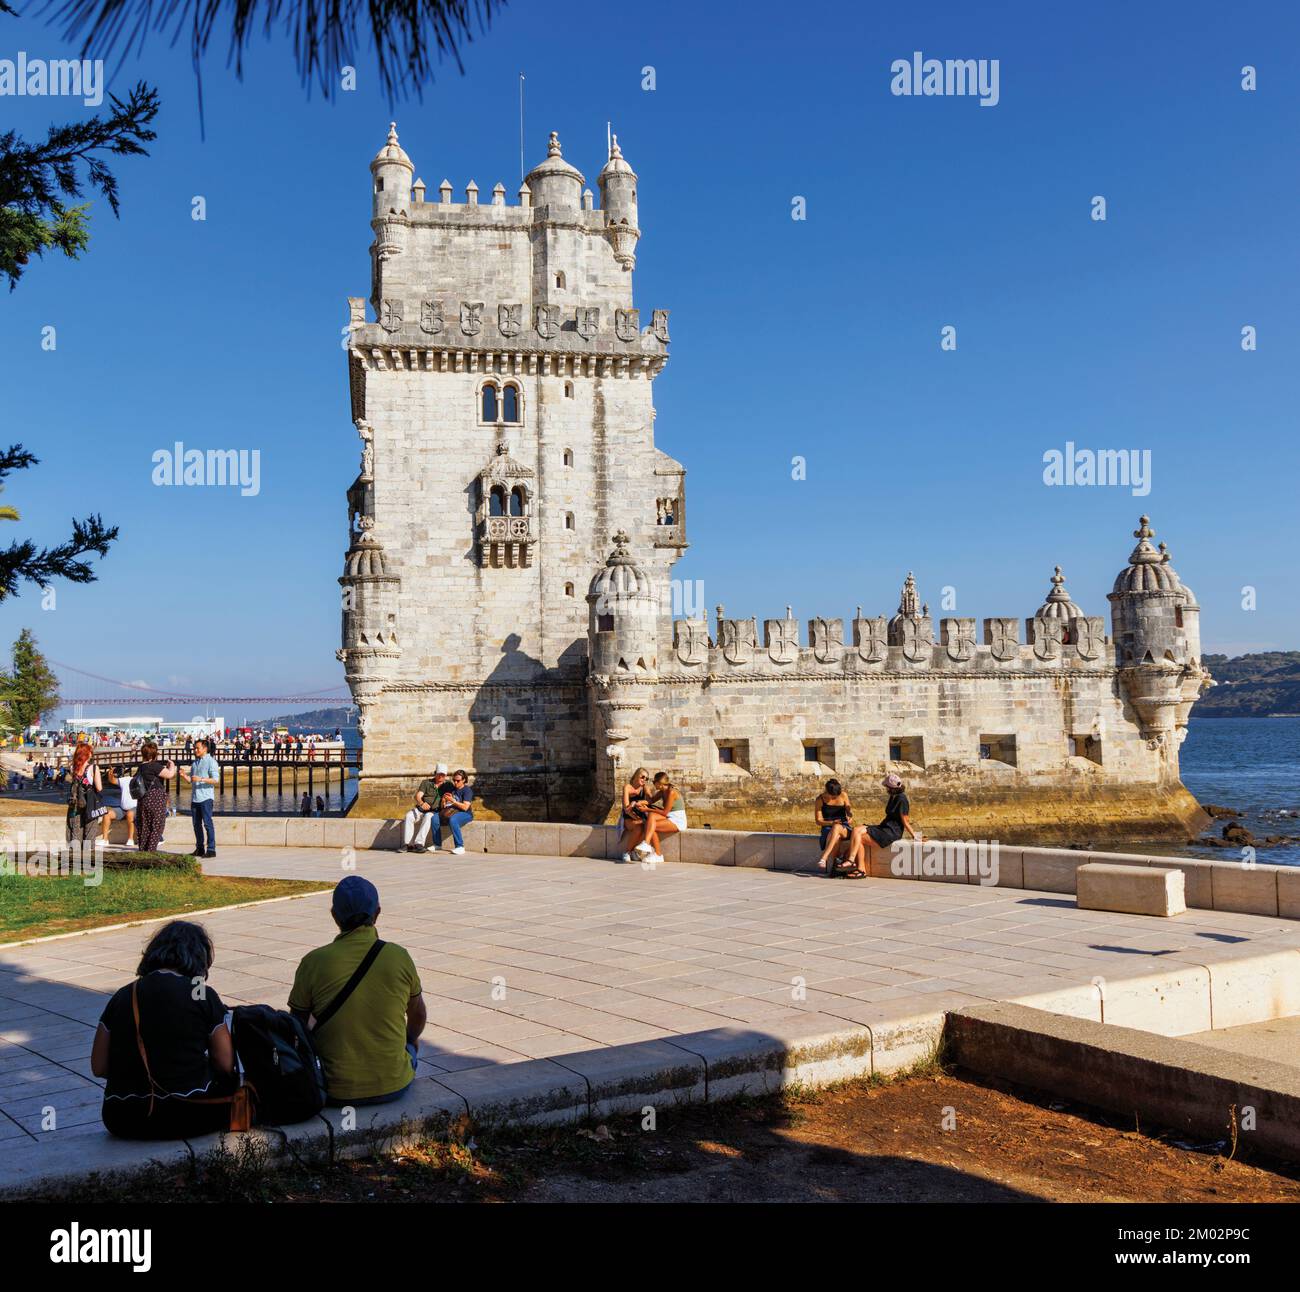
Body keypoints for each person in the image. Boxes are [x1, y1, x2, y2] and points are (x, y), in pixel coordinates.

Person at [91, 920, 238, 1139]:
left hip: (123, 1117)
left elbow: (99, 1066)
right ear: (199, 958)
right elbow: (225, 1063)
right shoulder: (200, 993)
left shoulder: (124, 995)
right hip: (188, 1115)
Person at [288, 876, 426, 1107]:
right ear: (377, 913)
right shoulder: (399, 956)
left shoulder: (313, 962)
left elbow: (297, 1025)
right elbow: (418, 1015)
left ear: (334, 916)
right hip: (395, 1084)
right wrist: (409, 1040)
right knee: (411, 1044)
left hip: (336, 1090)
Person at [846, 774, 923, 876]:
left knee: (859, 838)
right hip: (884, 827)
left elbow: (905, 821)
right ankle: (851, 861)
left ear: (891, 788)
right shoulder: (893, 796)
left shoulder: (902, 799)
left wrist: (915, 836)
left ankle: (860, 868)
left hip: (891, 832)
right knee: (856, 829)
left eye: (887, 787)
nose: (886, 789)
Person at [633, 772, 687, 865]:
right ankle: (654, 851)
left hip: (677, 820)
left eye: (654, 782)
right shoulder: (662, 791)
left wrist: (647, 809)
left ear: (659, 783)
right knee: (650, 823)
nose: (653, 784)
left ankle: (650, 847)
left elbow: (665, 812)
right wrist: (641, 801)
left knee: (651, 821)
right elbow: (651, 800)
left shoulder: (671, 792)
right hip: (669, 816)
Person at [134, 740, 178, 852]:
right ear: (154, 754)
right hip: (155, 798)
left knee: (144, 826)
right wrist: (172, 765)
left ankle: (143, 851)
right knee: (157, 826)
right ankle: (151, 851)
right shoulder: (154, 766)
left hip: (143, 799)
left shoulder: (141, 767)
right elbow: (170, 774)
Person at [180, 738, 220, 859]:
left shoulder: (211, 762)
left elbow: (216, 780)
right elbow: (191, 781)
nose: (195, 750)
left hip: (206, 798)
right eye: (194, 748)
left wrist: (201, 779)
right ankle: (200, 848)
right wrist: (184, 776)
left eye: (197, 748)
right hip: (195, 798)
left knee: (207, 823)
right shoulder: (195, 763)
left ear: (205, 748)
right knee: (196, 824)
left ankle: (211, 849)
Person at [65, 741, 106, 844]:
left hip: (75, 804)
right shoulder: (93, 768)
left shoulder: (73, 768)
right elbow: (99, 788)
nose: (92, 754)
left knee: (76, 831)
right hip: (90, 804)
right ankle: (88, 853)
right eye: (90, 752)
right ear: (87, 754)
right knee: (90, 832)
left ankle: (75, 852)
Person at [401, 764, 448, 853]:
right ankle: (407, 844)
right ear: (435, 773)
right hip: (421, 809)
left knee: (428, 817)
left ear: (446, 775)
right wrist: (422, 803)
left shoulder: (448, 785)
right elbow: (418, 796)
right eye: (439, 774)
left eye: (443, 775)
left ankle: (419, 843)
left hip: (434, 811)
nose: (441, 776)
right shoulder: (426, 783)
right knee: (409, 816)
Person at [814, 779, 857, 875]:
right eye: (833, 796)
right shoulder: (820, 800)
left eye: (837, 795)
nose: (835, 797)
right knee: (836, 834)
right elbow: (818, 821)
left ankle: (824, 858)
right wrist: (832, 823)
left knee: (836, 827)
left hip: (844, 827)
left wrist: (850, 817)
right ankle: (836, 866)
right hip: (828, 828)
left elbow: (849, 812)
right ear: (827, 791)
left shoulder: (844, 795)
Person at [431, 769, 474, 853]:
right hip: (452, 811)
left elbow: (465, 807)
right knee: (434, 818)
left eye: (458, 781)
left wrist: (453, 801)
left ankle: (460, 846)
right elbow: (443, 807)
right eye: (454, 780)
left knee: (453, 820)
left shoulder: (467, 790)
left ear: (464, 780)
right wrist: (444, 801)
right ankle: (437, 845)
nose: (455, 782)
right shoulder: (452, 789)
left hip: (466, 813)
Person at [617, 767, 652, 863]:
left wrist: (637, 802)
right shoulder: (627, 787)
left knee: (648, 826)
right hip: (629, 816)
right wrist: (637, 818)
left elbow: (650, 800)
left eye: (646, 778)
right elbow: (626, 809)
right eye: (642, 777)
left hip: (641, 815)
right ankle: (627, 852)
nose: (644, 780)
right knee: (639, 827)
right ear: (636, 775)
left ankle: (635, 851)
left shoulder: (645, 787)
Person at [100, 765, 138, 849]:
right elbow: (112, 780)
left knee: (130, 814)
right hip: (122, 809)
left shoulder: (142, 782)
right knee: (107, 814)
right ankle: (105, 839)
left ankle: (130, 839)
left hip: (135, 809)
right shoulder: (126, 779)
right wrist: (110, 773)